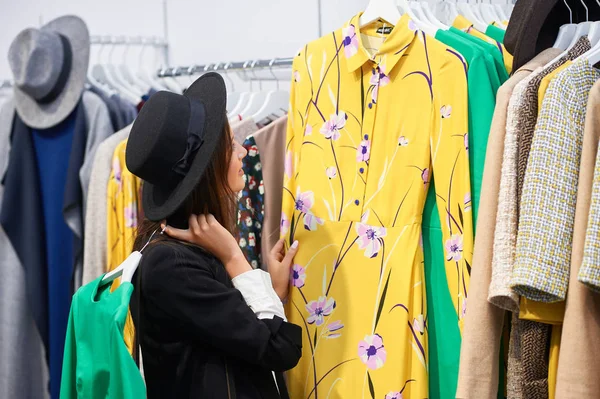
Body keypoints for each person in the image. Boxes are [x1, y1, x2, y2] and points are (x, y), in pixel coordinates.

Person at [125, 73, 302, 399]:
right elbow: (279, 349)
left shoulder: (188, 246)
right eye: (230, 144)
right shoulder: (172, 264)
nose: (243, 152)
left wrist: (272, 291)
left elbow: (228, 330)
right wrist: (235, 258)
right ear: (206, 168)